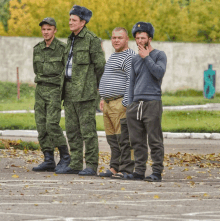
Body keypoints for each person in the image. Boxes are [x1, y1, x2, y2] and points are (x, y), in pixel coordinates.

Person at [56, 5, 105, 175]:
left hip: (85, 93)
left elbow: (100, 67)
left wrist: (101, 93)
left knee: (88, 131)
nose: (70, 22)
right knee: (72, 130)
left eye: (74, 20)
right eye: (69, 19)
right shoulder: (70, 39)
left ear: (83, 22)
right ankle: (75, 163)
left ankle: (91, 165)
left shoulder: (92, 39)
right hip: (68, 92)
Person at [126, 22, 167, 181]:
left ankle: (156, 172)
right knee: (137, 141)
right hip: (135, 105)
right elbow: (131, 83)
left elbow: (159, 73)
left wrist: (147, 57)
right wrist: (129, 105)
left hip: (152, 103)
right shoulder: (135, 59)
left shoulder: (159, 55)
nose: (139, 40)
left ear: (149, 38)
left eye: (143, 37)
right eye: (137, 38)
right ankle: (139, 171)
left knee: (155, 140)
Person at [32, 17, 70, 172]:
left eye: (49, 29)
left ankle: (65, 157)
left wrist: (62, 93)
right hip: (40, 89)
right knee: (41, 126)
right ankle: (48, 159)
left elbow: (65, 72)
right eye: (43, 29)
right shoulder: (37, 48)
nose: (46, 32)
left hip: (54, 90)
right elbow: (36, 70)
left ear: (55, 30)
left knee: (51, 124)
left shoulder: (62, 48)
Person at [98, 27, 135, 178]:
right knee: (112, 139)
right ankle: (114, 167)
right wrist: (102, 98)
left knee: (124, 139)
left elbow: (130, 80)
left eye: (120, 38)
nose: (116, 40)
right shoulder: (114, 56)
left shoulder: (130, 56)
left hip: (120, 103)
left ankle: (126, 169)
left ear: (127, 40)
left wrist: (126, 102)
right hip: (108, 104)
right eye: (114, 38)